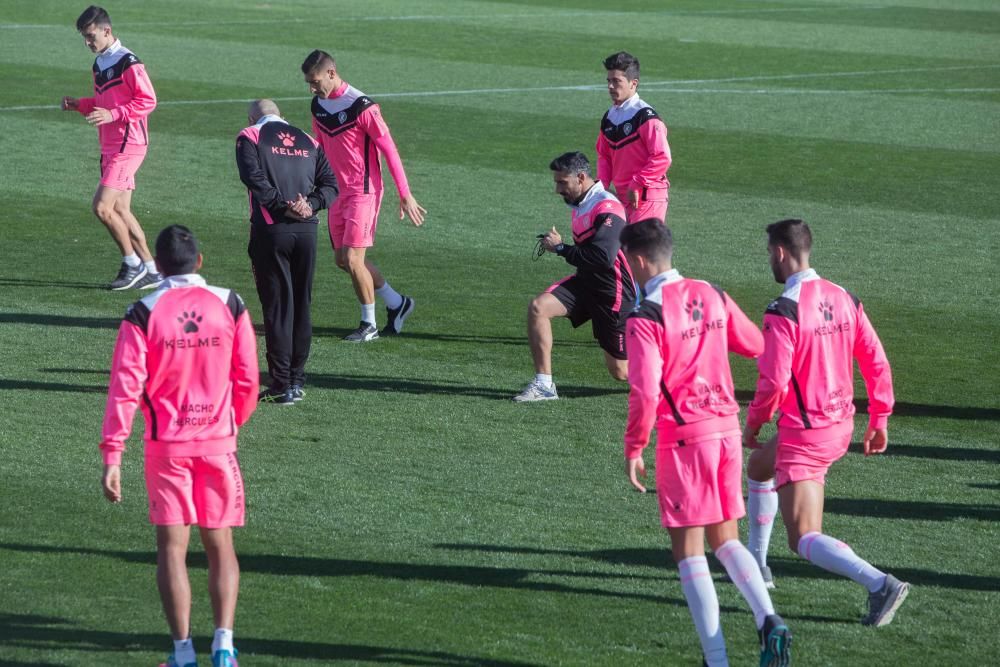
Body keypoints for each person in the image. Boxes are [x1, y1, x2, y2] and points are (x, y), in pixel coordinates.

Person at [621, 219, 791, 667]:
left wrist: (635, 445)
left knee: (688, 551)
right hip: (727, 431)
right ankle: (768, 618)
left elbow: (644, 389)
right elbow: (756, 343)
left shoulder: (645, 316)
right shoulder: (711, 292)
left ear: (638, 260)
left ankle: (716, 660)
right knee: (726, 538)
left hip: (684, 440)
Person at [99, 225, 258, 667]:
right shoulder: (231, 303)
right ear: (200, 262)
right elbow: (247, 377)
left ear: (160, 267)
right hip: (217, 444)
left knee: (172, 548)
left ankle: (183, 653)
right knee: (220, 545)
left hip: (166, 448)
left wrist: (113, 455)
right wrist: (230, 424)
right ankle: (224, 648)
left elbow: (124, 389)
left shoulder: (142, 312)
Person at [743, 218, 909, 627]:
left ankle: (879, 584)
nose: (770, 259)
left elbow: (773, 380)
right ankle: (757, 565)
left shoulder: (783, 309)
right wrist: (880, 416)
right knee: (759, 467)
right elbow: (875, 360)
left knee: (803, 538)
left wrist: (753, 422)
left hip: (807, 434)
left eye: (769, 253)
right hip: (839, 424)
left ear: (780, 252)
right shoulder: (844, 296)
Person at [300, 49, 425, 342]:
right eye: (309, 82)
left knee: (355, 260)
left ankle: (368, 325)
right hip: (335, 192)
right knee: (343, 260)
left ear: (331, 73)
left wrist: (405, 194)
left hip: (363, 191)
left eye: (315, 81)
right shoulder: (318, 105)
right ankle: (397, 303)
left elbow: (389, 149)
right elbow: (318, 147)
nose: (312, 87)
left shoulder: (363, 106)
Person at [236, 99, 339, 405]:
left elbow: (253, 179)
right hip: (308, 231)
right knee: (301, 306)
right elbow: (331, 185)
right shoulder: (308, 140)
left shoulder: (250, 136)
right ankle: (297, 379)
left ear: (253, 117)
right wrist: (310, 205)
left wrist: (283, 208)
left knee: (279, 308)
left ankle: (281, 383)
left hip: (272, 230)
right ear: (282, 117)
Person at [513, 152, 635, 402]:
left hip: (612, 293)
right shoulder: (581, 202)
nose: (558, 189)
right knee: (539, 308)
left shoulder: (607, 207)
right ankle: (544, 386)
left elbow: (603, 258)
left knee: (621, 372)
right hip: (586, 283)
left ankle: (673, 372)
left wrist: (561, 248)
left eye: (562, 182)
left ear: (580, 178)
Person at [62, 5, 160, 290]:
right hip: (110, 144)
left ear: (107, 31)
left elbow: (147, 101)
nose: (88, 43)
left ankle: (132, 264)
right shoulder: (99, 64)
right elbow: (103, 104)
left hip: (128, 144)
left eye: (91, 36)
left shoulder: (129, 62)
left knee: (102, 208)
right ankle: (152, 270)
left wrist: (113, 115)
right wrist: (79, 104)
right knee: (121, 210)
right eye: (84, 38)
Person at [596, 51, 671, 224]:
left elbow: (662, 157)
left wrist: (637, 182)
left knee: (638, 251)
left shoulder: (646, 117)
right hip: (623, 197)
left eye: (616, 81)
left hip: (646, 195)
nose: (610, 86)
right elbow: (604, 156)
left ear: (633, 83)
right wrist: (602, 189)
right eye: (609, 81)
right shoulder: (609, 116)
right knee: (620, 250)